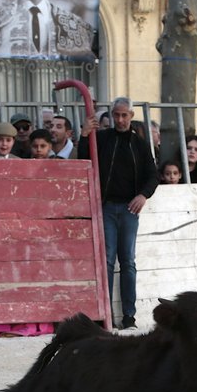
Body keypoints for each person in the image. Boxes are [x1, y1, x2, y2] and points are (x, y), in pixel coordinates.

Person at [79, 98, 157, 329]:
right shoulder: (103, 138)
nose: (120, 120)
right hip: (107, 206)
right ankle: (107, 317)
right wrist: (84, 136)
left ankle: (128, 316)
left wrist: (143, 195)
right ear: (112, 115)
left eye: (124, 115)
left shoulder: (139, 144)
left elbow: (153, 175)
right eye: (117, 115)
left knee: (127, 262)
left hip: (128, 209)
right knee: (108, 261)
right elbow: (84, 161)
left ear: (131, 116)